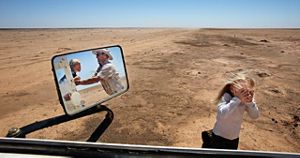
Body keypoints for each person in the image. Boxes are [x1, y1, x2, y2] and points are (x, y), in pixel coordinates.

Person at [201, 74, 259, 150]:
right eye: (242, 91)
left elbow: (255, 116)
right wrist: (237, 99)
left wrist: (250, 103)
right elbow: (222, 114)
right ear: (232, 89)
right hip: (219, 138)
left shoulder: (246, 99)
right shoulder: (226, 97)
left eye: (247, 91)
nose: (245, 94)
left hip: (234, 139)